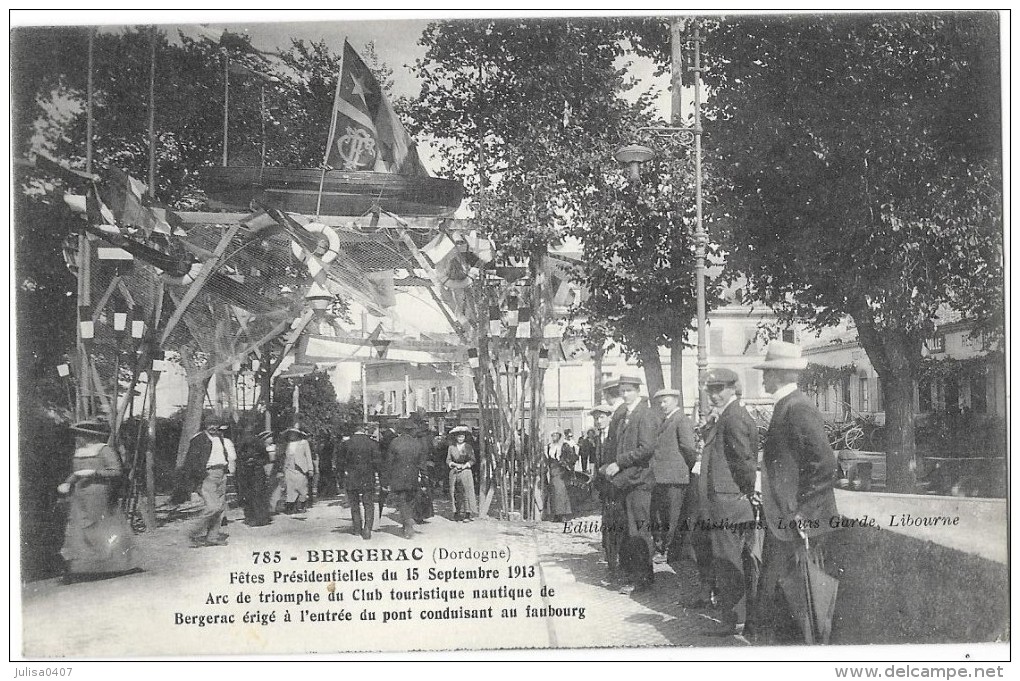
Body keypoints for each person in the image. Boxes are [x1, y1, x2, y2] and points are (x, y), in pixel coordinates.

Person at [754, 341, 840, 644]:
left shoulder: (797, 407)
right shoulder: (787, 405)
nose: (763, 378)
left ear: (779, 374)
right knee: (785, 598)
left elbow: (826, 464)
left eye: (767, 373)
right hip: (786, 520)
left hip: (801, 524)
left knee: (801, 600)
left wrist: (804, 513)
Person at [697, 368, 760, 638]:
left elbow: (745, 461)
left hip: (729, 503)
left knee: (728, 562)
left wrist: (748, 491)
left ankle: (733, 620)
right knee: (730, 561)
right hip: (727, 501)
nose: (713, 395)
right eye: (710, 390)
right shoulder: (726, 416)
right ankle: (736, 617)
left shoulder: (733, 417)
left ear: (733, 388)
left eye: (719, 389)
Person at [603, 375, 662, 594]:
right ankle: (634, 575)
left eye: (629, 391)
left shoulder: (645, 415)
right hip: (627, 480)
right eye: (622, 391)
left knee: (639, 530)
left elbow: (646, 448)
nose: (625, 395)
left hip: (640, 480)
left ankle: (643, 579)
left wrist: (619, 462)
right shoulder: (625, 415)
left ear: (638, 391)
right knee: (629, 531)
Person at [57, 419, 137, 579]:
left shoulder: (104, 450)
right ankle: (81, 567)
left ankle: (110, 565)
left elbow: (116, 471)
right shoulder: (79, 451)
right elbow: (77, 472)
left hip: (99, 493)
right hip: (79, 495)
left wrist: (95, 473)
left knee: (98, 526)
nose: (77, 438)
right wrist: (67, 482)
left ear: (89, 436)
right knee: (78, 527)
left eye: (80, 435)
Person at [650, 388, 698, 565]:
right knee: (662, 515)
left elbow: (689, 449)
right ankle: (663, 548)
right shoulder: (666, 420)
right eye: (660, 402)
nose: (662, 405)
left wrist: (684, 469)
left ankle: (669, 551)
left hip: (675, 477)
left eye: (666, 401)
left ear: (675, 401)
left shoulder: (681, 420)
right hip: (662, 477)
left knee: (673, 516)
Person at [179, 416, 236, 547]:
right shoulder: (198, 439)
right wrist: (197, 478)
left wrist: (227, 471)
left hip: (221, 474)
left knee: (220, 508)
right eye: (210, 424)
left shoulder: (221, 438)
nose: (213, 427)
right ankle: (189, 533)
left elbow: (225, 456)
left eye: (215, 424)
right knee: (213, 507)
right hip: (207, 475)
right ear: (205, 425)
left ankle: (212, 537)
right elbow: (191, 461)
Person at [595, 379, 628, 588]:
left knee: (616, 530)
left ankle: (617, 569)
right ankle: (612, 566)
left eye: (602, 418)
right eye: (597, 419)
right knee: (608, 530)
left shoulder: (617, 425)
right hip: (606, 489)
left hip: (615, 486)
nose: (599, 422)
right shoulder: (601, 436)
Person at [384, 419, 428, 538]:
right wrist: (424, 479)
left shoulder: (394, 442)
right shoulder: (417, 444)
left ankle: (407, 525)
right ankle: (407, 523)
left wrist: (386, 480)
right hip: (412, 477)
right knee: (410, 501)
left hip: (397, 477)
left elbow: (389, 463)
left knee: (402, 501)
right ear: (411, 431)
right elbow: (422, 464)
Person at [338, 423, 382, 539]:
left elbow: (340, 463)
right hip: (368, 478)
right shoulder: (372, 444)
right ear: (364, 429)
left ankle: (357, 528)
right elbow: (378, 463)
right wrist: (379, 476)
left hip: (351, 478)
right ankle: (367, 529)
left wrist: (341, 479)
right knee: (368, 504)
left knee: (354, 504)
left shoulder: (346, 444)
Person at [235, 428, 273, 527]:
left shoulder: (258, 444)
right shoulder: (241, 445)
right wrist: (246, 462)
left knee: (257, 494)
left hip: (257, 472)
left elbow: (265, 458)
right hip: (246, 472)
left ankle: (259, 518)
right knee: (249, 495)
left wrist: (255, 461)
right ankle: (252, 517)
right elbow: (239, 459)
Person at [446, 425, 478, 521]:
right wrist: (454, 464)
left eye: (462, 437)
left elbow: (473, 460)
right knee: (454, 492)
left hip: (465, 470)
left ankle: (467, 513)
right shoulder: (451, 447)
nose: (460, 438)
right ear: (456, 437)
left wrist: (465, 465)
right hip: (455, 470)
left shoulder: (468, 447)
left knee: (467, 492)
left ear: (465, 437)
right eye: (459, 437)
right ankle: (456, 512)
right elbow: (448, 460)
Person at [546, 430, 577, 522]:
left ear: (559, 436)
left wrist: (565, 463)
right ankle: (555, 514)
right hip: (552, 470)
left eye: (556, 435)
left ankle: (563, 514)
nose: (554, 437)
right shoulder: (549, 446)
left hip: (561, 471)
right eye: (553, 435)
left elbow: (573, 457)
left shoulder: (564, 446)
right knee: (553, 492)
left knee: (561, 492)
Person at [282, 426, 314, 514]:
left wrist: (310, 469)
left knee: (302, 487)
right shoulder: (288, 444)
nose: (292, 435)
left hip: (300, 468)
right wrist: (284, 468)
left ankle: (303, 505)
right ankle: (292, 507)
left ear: (297, 434)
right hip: (290, 468)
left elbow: (308, 456)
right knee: (290, 488)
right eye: (290, 434)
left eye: (294, 433)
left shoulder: (304, 443)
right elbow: (286, 457)